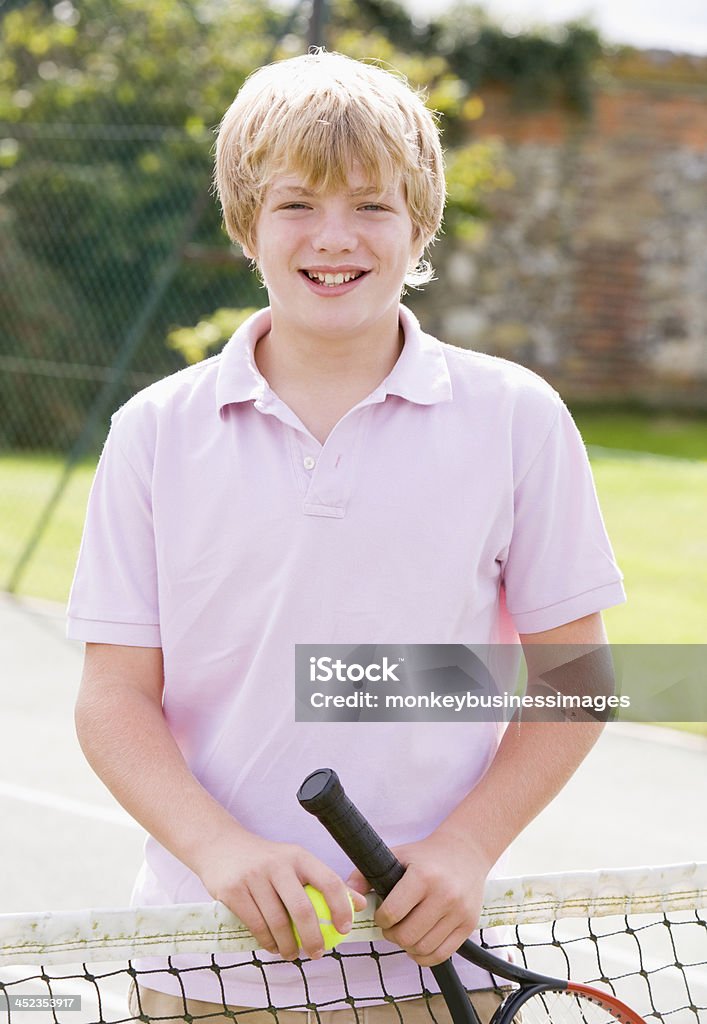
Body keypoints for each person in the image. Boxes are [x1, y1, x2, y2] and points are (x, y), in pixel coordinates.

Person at [69, 50, 625, 1024]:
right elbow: (114, 698)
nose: (335, 237)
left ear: (418, 226)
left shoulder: (516, 418)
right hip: (198, 969)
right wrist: (221, 852)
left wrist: (464, 847)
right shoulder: (153, 432)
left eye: (371, 205)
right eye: (296, 204)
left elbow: (575, 677)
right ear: (247, 222)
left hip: (418, 973)